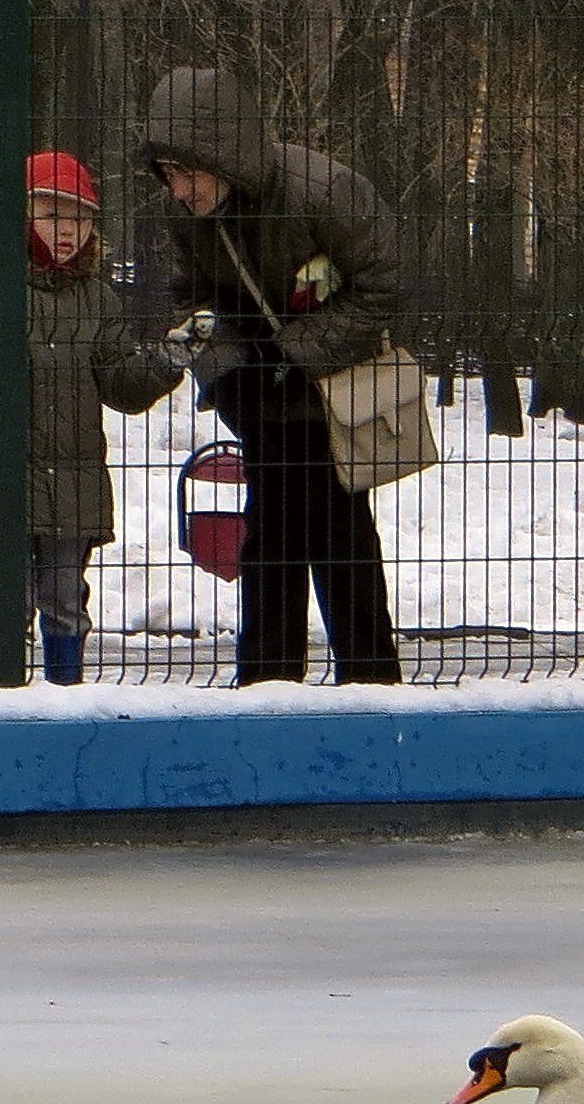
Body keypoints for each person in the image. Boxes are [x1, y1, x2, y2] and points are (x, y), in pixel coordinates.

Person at [133, 67, 408, 685]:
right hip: (260, 392)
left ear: (223, 158)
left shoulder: (326, 191)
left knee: (343, 538)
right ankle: (266, 684)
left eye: (187, 174)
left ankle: (370, 685)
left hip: (335, 386)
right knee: (271, 541)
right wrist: (230, 376)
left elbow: (381, 286)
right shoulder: (188, 219)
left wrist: (298, 355)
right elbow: (192, 300)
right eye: (167, 176)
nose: (177, 191)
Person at [0, 151, 170, 686]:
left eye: (81, 218)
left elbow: (121, 383)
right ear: (20, 216)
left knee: (65, 597)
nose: (69, 231)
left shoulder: (98, 299)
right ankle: (5, 689)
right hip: (4, 481)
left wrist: (165, 363)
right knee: (9, 594)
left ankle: (66, 694)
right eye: (53, 214)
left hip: (75, 483)